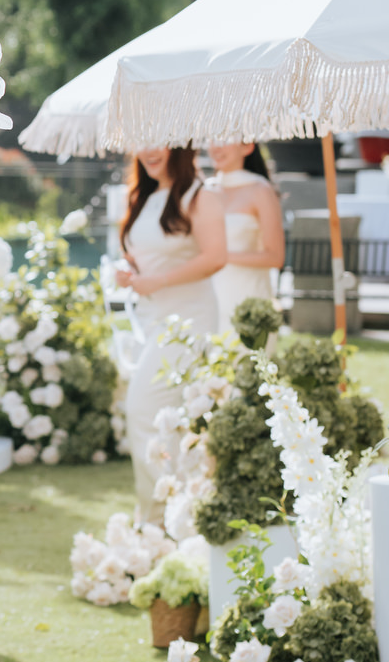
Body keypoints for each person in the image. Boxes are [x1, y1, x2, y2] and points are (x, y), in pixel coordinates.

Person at [113, 145, 226, 521]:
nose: (147, 151)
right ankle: (173, 511)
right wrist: (130, 272)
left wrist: (158, 280)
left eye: (157, 140)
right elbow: (149, 255)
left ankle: (164, 514)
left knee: (142, 410)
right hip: (150, 320)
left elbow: (216, 256)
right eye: (140, 142)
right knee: (168, 419)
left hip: (187, 323)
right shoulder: (141, 197)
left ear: (179, 143)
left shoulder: (200, 195)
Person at [204, 142, 284, 328]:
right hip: (208, 297)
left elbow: (275, 257)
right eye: (213, 139)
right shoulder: (205, 190)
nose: (216, 146)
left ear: (247, 146)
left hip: (246, 298)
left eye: (225, 139)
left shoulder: (260, 190)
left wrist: (221, 256)